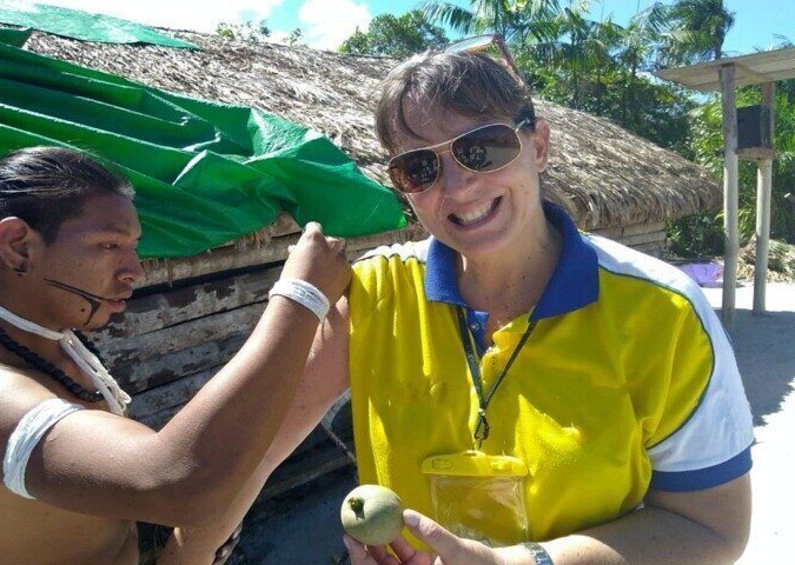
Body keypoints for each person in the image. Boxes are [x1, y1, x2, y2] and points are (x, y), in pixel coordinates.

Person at [153, 47, 754, 564]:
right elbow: (244, 456)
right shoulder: (376, 297)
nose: (458, 186)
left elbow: (712, 527)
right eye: (420, 167)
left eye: (483, 148)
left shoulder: (661, 313)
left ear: (537, 145)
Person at [0, 139, 351, 564]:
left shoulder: (31, 329)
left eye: (134, 246)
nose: (135, 271)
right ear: (17, 244)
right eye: (109, 245)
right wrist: (300, 298)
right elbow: (175, 482)